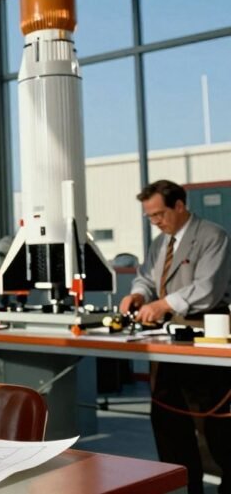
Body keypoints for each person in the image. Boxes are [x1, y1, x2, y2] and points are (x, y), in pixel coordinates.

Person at [119, 179, 231, 494]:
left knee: (217, 424)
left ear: (179, 206)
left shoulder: (212, 237)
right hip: (170, 339)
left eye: (159, 215)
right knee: (168, 418)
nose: (155, 222)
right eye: (150, 217)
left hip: (206, 335)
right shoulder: (160, 243)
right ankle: (184, 486)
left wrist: (162, 304)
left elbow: (207, 289)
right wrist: (139, 296)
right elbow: (145, 277)